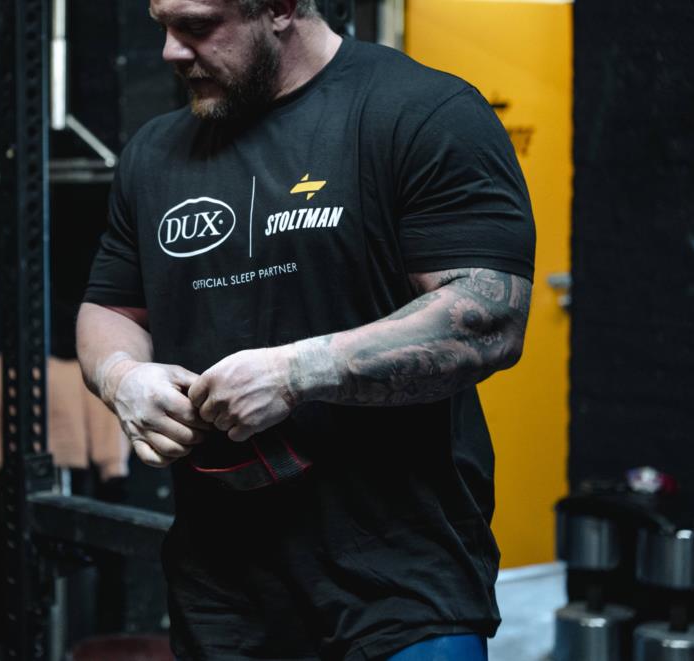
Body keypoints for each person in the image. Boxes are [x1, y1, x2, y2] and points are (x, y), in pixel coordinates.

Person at [76, 0, 535, 658]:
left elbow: (489, 317)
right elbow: (110, 309)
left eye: (197, 26)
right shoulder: (155, 153)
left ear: (281, 7)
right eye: (163, 27)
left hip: (398, 583)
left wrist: (297, 372)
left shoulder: (420, 112)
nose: (171, 52)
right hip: (222, 592)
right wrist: (123, 377)